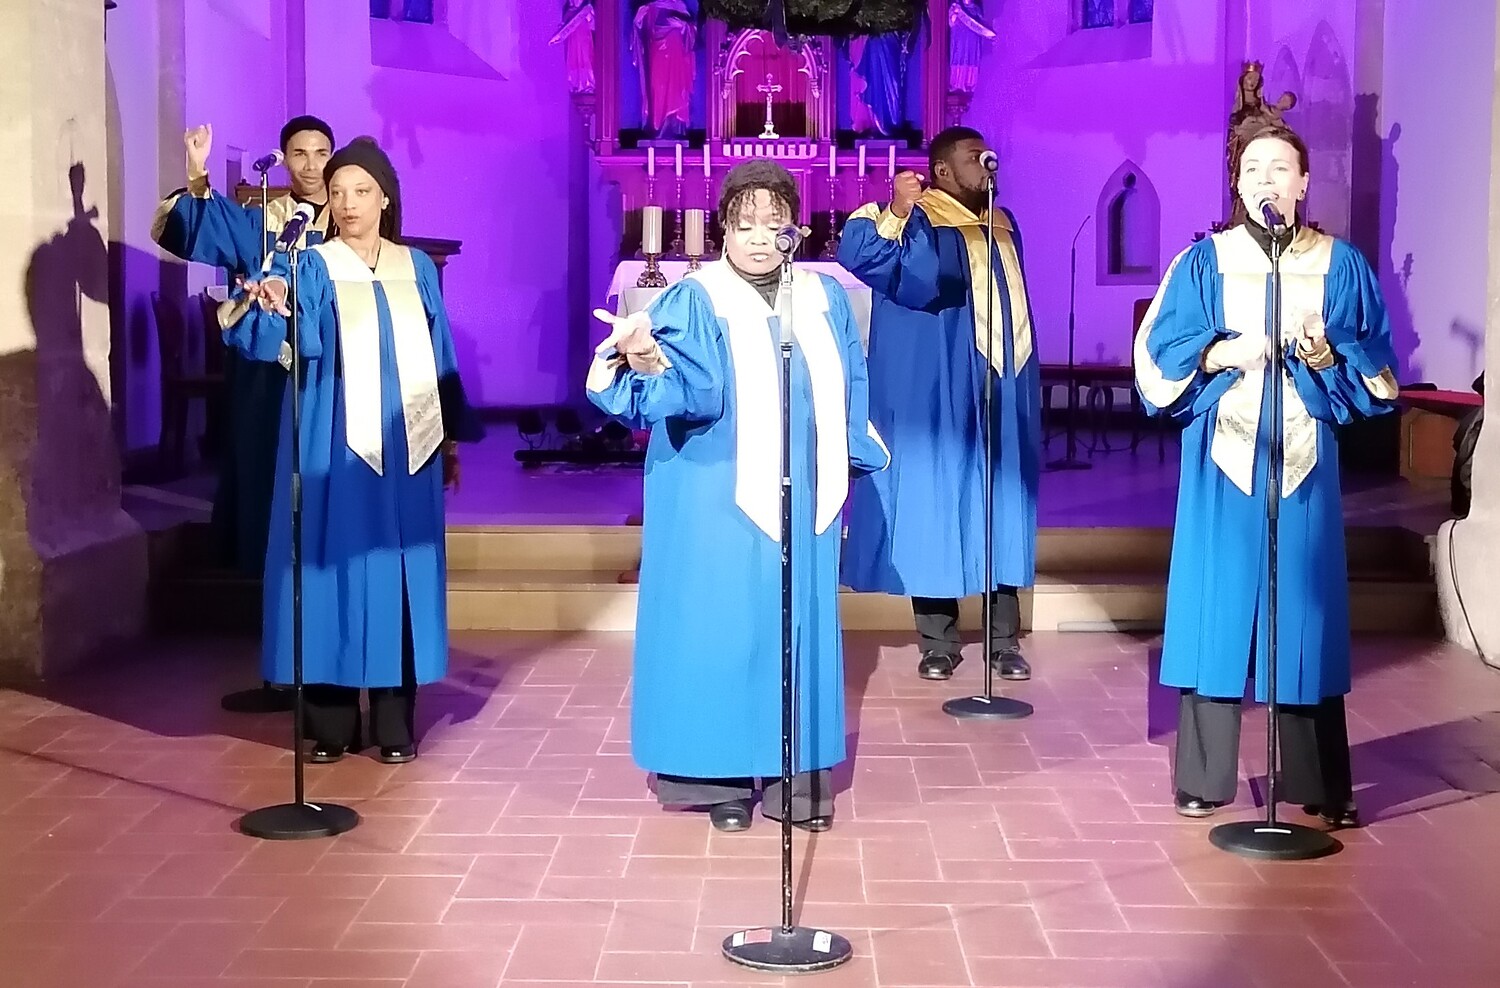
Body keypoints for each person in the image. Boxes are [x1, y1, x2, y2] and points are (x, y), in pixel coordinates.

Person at [586, 161, 889, 832]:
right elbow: (682, 395)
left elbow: (852, 380)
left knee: (795, 624)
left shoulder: (823, 296)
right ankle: (714, 775)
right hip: (712, 489)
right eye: (744, 224)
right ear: (723, 227)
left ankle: (794, 773)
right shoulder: (696, 298)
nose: (758, 238)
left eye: (773, 225)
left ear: (795, 231)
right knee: (718, 623)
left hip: (803, 487)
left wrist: (848, 454)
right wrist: (645, 360)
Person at [1133, 124, 1399, 825]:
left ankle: (1320, 783)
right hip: (1226, 455)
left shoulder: (1339, 264)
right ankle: (1203, 778)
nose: (1265, 180)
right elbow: (1160, 348)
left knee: (1305, 614)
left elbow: (1374, 357)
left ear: (1304, 183)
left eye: (1280, 167)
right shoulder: (1204, 261)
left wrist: (1326, 357)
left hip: (1304, 458)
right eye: (1252, 168)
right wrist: (1219, 353)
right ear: (1237, 183)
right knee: (1217, 607)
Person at [238, 138, 482, 764]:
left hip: (408, 444)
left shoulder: (415, 267)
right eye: (338, 192)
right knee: (330, 564)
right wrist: (274, 304)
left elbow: (441, 355)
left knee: (398, 570)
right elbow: (287, 340)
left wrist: (449, 440)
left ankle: (396, 723)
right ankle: (332, 723)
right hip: (332, 433)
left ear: (385, 199)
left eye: (362, 191)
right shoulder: (312, 265)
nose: (348, 203)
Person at [838, 125, 1041, 683]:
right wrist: (898, 211)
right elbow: (905, 274)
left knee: (1000, 500)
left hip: (1000, 378)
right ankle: (939, 642)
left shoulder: (1003, 222)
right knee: (934, 499)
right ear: (943, 170)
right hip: (935, 378)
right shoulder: (918, 218)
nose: (987, 163)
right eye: (975, 157)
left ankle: (1003, 641)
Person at [153, 115, 336, 714]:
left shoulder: (349, 218)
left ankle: (327, 644)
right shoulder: (266, 219)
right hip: (269, 374)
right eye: (299, 153)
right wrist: (197, 172)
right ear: (282, 159)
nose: (311, 164)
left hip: (329, 372)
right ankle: (280, 638)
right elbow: (204, 228)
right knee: (270, 487)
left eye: (321, 152)